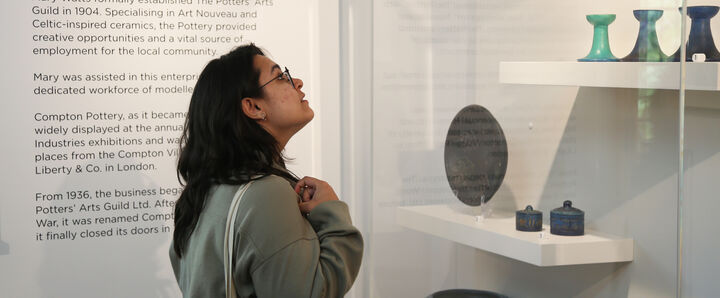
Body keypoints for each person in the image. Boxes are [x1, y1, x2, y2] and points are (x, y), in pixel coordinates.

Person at [169, 44, 363, 298]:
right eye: (281, 77)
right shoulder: (266, 193)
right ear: (253, 107)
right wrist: (332, 214)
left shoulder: (203, 193)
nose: (299, 82)